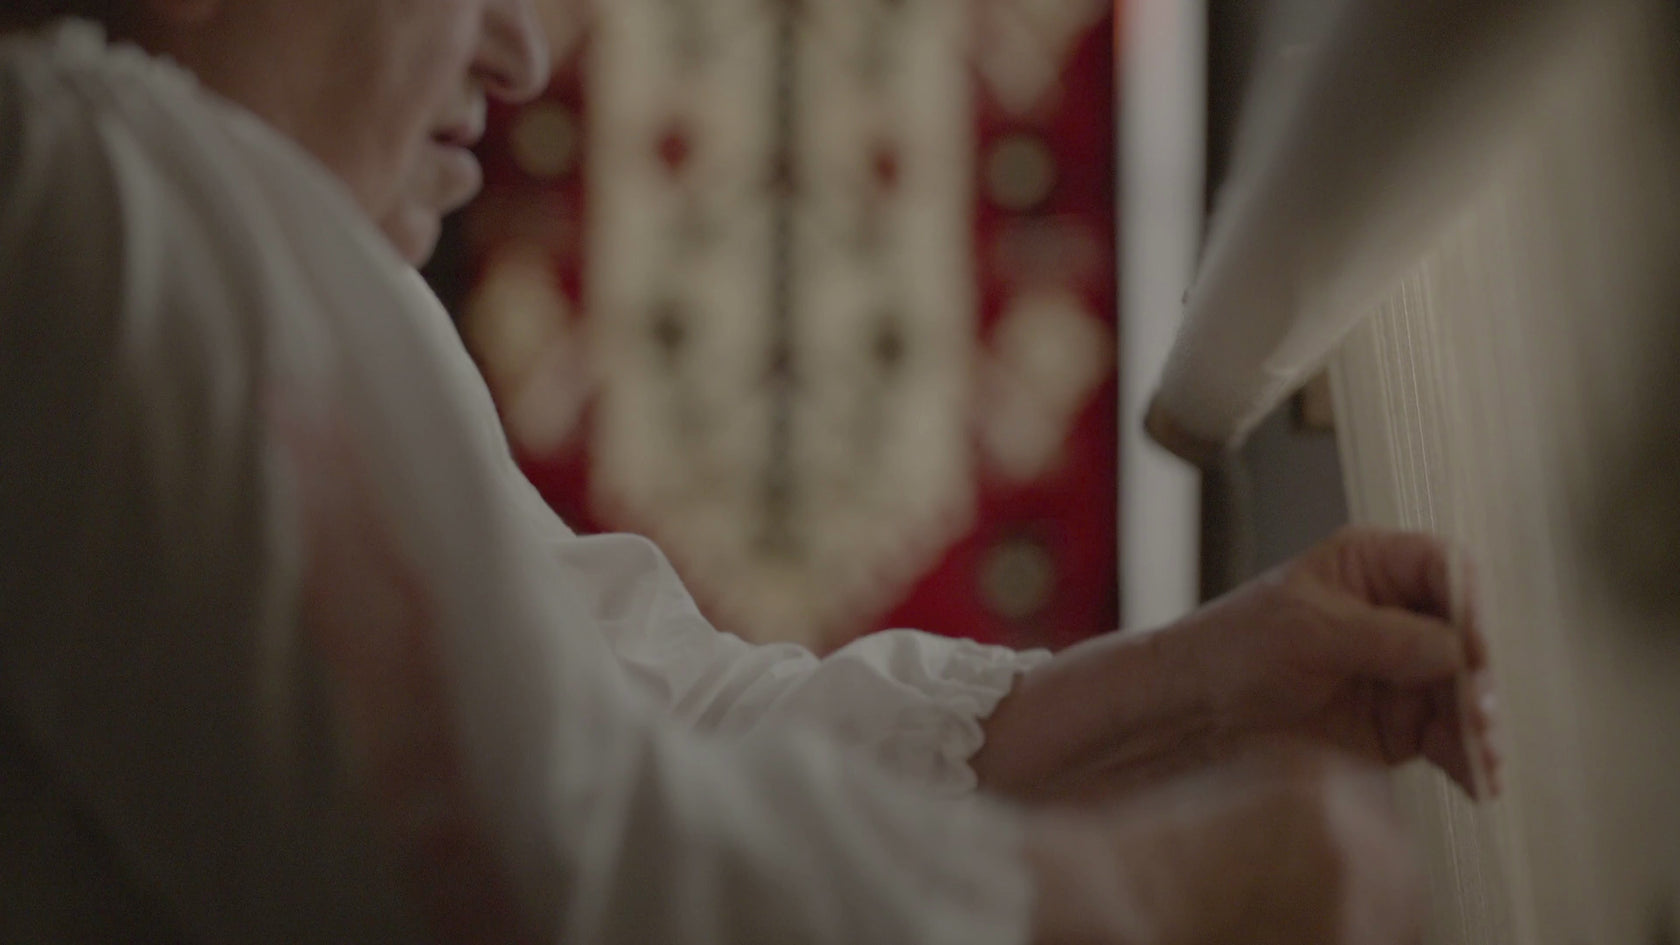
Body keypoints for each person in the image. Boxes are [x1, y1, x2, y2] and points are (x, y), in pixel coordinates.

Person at [0, 1, 1499, 943]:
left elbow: (664, 728)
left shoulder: (269, 262)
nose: (519, 49)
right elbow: (548, 881)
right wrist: (1167, 898)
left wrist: (1210, 690)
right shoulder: (73, 194)